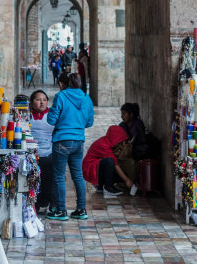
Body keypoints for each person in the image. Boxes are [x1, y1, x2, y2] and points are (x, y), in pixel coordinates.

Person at [46, 72, 94, 221]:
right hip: (78, 141)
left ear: (62, 84)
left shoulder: (61, 96)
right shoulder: (86, 98)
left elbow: (51, 119)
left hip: (61, 140)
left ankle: (61, 210)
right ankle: (81, 209)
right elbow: (89, 122)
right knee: (78, 176)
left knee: (59, 177)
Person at [82, 124, 134, 196]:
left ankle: (100, 185)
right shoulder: (104, 144)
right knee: (109, 161)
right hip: (90, 168)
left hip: (96, 168)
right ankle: (108, 188)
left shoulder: (109, 143)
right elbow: (115, 164)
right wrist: (127, 180)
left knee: (122, 175)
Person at [29, 89, 55, 213]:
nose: (42, 103)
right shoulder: (26, 115)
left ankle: (49, 201)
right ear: (32, 102)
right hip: (31, 153)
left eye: (44, 100)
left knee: (49, 172)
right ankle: (35, 203)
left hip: (47, 152)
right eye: (38, 100)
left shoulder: (52, 115)